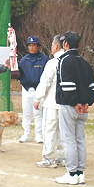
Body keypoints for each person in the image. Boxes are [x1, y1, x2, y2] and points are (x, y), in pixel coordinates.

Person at [55, 31, 94, 185]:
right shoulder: (85, 62)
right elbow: (93, 88)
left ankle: (71, 173)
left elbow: (66, 86)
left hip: (70, 106)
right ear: (79, 44)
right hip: (83, 108)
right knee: (80, 139)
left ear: (65, 44)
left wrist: (75, 103)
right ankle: (80, 173)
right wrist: (87, 102)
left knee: (69, 140)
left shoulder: (64, 60)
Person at [34, 35, 66, 168]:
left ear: (56, 46)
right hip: (65, 103)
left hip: (52, 103)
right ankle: (63, 157)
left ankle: (48, 158)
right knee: (63, 131)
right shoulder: (68, 61)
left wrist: (37, 98)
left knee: (49, 130)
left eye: (52, 45)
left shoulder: (52, 63)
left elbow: (45, 82)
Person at [18, 36, 49, 143]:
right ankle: (25, 134)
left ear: (38, 46)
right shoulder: (23, 60)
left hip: (38, 90)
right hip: (26, 89)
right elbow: (18, 74)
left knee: (38, 113)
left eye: (33, 45)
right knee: (26, 113)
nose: (31, 48)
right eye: (29, 45)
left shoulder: (45, 59)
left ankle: (38, 135)